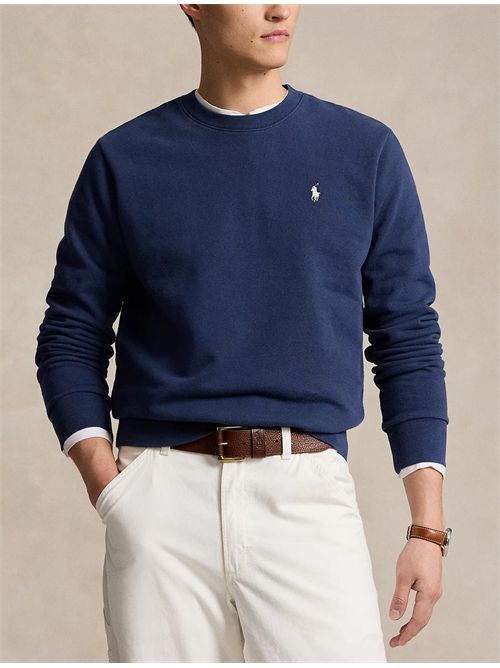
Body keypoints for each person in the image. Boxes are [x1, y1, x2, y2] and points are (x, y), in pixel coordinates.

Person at [34, 4, 452, 662]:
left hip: (306, 495)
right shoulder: (125, 158)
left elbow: (408, 336)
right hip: (159, 501)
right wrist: (108, 484)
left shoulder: (364, 151)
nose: (279, 8)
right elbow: (70, 331)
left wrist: (427, 527)